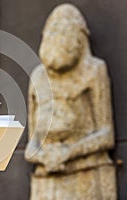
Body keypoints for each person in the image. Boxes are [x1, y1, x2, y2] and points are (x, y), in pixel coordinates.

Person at [25, 3, 116, 200]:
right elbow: (31, 146)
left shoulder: (94, 71)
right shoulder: (38, 77)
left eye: (64, 34)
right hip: (45, 179)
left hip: (86, 173)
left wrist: (67, 153)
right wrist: (45, 157)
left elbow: (106, 134)